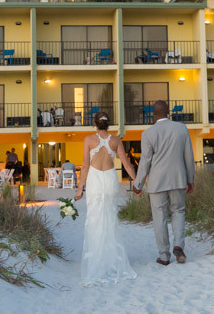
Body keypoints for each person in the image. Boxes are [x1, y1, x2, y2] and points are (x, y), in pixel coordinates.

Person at [75, 111, 138, 286]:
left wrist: (80, 188)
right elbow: (126, 163)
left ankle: (98, 259)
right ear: (108, 124)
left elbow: (85, 166)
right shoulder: (116, 140)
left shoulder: (88, 140)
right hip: (110, 179)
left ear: (95, 124)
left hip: (95, 179)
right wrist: (137, 182)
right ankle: (112, 260)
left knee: (95, 219)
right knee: (110, 218)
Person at [133, 100, 195, 265]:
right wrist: (190, 179)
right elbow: (189, 155)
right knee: (178, 212)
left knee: (159, 218)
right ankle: (179, 247)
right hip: (178, 179)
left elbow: (145, 161)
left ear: (153, 114)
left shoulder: (148, 134)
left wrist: (137, 184)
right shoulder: (181, 128)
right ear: (168, 111)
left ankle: (164, 256)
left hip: (157, 182)